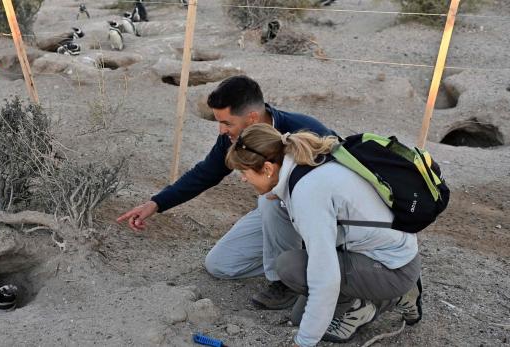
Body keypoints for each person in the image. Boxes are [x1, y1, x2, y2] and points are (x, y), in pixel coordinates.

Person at [117, 75, 334, 309]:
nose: (221, 130)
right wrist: (156, 203)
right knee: (220, 265)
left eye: (227, 123)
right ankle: (298, 261)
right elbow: (205, 173)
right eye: (218, 121)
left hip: (320, 219)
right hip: (278, 220)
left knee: (269, 201)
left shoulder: (304, 130)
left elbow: (339, 187)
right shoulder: (234, 138)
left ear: (252, 117)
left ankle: (284, 282)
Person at [224, 123, 422, 346]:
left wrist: (303, 342)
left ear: (269, 168)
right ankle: (361, 297)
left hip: (394, 268)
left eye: (244, 172)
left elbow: (325, 279)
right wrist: (278, 193)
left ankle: (389, 299)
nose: (242, 178)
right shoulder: (305, 163)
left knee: (291, 268)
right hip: (382, 250)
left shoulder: (307, 194)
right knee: (301, 315)